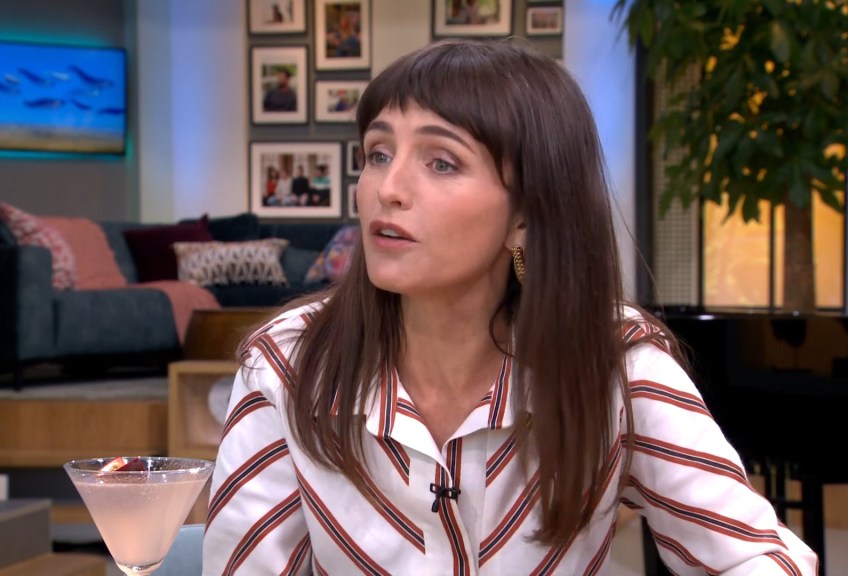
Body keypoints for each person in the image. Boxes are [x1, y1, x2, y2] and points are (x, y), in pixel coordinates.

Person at [203, 39, 817, 574]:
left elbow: (757, 556)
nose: (387, 189)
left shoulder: (612, 359)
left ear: (526, 215)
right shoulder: (288, 363)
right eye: (378, 154)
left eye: (441, 162)